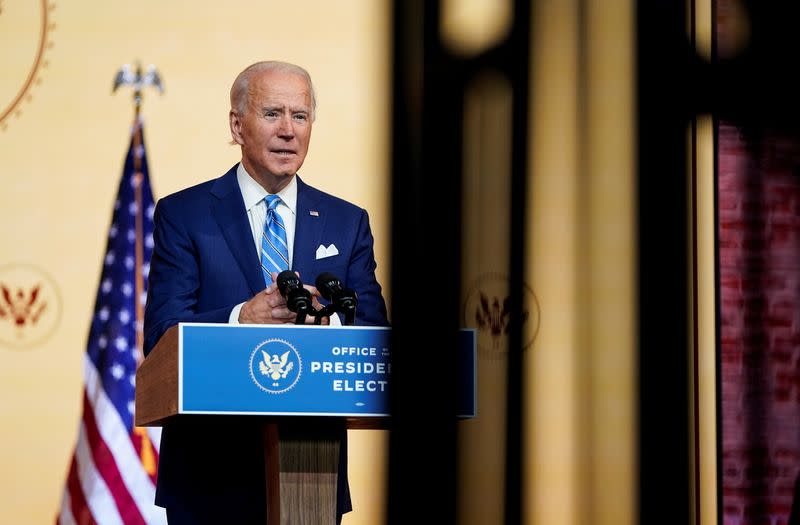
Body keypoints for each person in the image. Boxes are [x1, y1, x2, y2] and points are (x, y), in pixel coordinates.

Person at [143, 60, 389, 524]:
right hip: (207, 478)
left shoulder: (346, 222)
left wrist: (325, 323)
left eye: (301, 116)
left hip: (310, 475)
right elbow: (162, 334)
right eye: (273, 113)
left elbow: (375, 336)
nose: (289, 131)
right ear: (237, 125)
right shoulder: (184, 214)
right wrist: (243, 318)